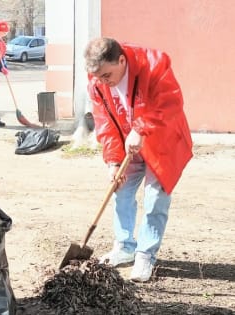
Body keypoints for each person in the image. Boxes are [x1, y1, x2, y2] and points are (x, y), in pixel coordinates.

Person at [84, 37, 192, 282]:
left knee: (155, 199)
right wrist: (113, 161)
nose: (103, 82)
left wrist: (140, 129)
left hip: (162, 142)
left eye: (106, 75)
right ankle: (124, 246)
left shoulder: (154, 65)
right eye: (98, 77)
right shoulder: (97, 82)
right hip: (128, 143)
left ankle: (146, 254)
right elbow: (105, 123)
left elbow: (170, 103)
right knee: (119, 190)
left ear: (121, 60)